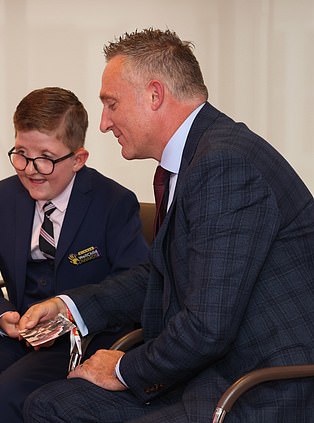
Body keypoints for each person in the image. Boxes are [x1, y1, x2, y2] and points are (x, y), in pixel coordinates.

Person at [20, 28, 314, 422]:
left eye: (112, 104)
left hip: (254, 388)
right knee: (49, 404)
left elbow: (208, 327)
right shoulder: (197, 159)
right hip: (207, 375)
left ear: (154, 95)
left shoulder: (224, 164)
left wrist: (123, 369)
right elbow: (160, 273)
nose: (104, 123)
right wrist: (71, 306)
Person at [0, 87, 149, 423]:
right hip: (18, 332)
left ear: (78, 159)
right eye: (21, 153)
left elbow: (135, 283)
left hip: (81, 340)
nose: (30, 168)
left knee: (8, 397)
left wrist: (70, 310)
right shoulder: (7, 196)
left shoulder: (112, 202)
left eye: (45, 157)